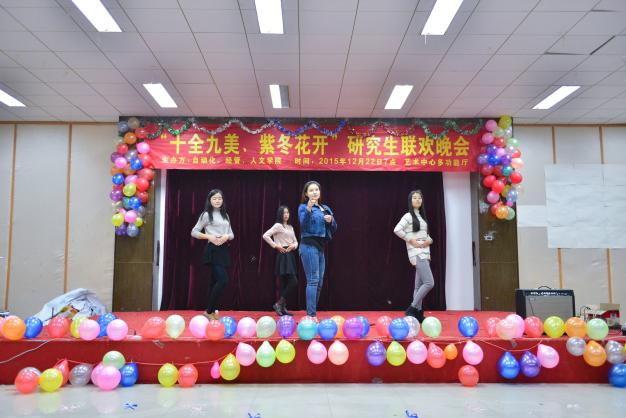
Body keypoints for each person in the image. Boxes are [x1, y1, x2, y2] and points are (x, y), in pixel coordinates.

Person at [191, 189, 234, 320]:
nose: (217, 200)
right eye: (214, 198)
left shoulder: (226, 215)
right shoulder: (206, 214)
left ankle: (212, 311)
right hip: (212, 250)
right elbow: (194, 232)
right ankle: (209, 311)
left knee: (215, 281)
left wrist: (226, 236)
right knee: (223, 280)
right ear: (209, 200)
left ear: (223, 200)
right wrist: (209, 236)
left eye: (219, 198)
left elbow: (232, 234)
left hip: (223, 250)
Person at [393, 190, 434, 322]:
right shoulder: (408, 216)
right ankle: (412, 308)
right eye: (414, 198)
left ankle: (418, 313)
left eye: (419, 198)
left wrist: (429, 240)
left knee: (419, 285)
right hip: (417, 253)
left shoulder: (421, 217)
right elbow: (397, 230)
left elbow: (425, 236)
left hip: (425, 253)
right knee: (429, 282)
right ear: (410, 201)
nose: (417, 200)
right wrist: (410, 240)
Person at [298, 181, 337, 317]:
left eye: (317, 190)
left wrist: (331, 221)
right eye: (311, 190)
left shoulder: (325, 208)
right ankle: (311, 315)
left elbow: (334, 228)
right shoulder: (303, 207)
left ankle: (311, 313)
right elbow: (303, 224)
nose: (315, 192)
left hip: (320, 247)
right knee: (313, 280)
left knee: (319, 283)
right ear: (306, 194)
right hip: (308, 245)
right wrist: (308, 209)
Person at [262, 206, 298, 316]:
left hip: (290, 254)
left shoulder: (290, 227)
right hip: (282, 254)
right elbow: (265, 235)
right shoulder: (278, 225)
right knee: (289, 281)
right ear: (280, 214)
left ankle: (282, 306)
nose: (286, 215)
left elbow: (296, 241)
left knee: (289, 282)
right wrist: (276, 246)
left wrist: (293, 246)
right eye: (283, 213)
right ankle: (279, 305)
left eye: (287, 212)